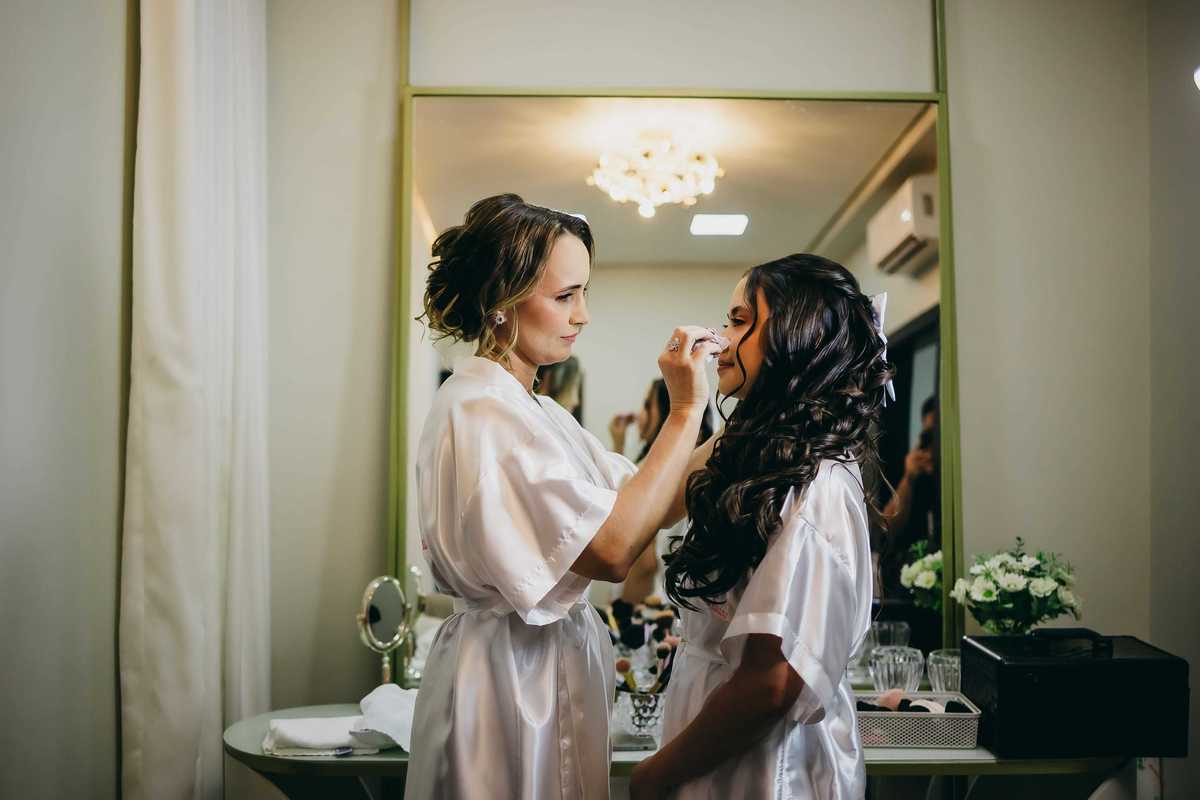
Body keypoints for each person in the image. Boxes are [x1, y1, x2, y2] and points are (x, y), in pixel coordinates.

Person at [403, 194, 724, 800]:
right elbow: (613, 549)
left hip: (543, 668)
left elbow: (653, 500)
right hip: (507, 680)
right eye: (565, 296)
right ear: (501, 303)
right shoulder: (481, 410)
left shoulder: (539, 411)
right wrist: (684, 410)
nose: (583, 315)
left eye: (585, 294)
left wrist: (754, 420)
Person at [630, 254, 893, 800]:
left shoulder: (815, 486)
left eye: (739, 321)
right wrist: (686, 407)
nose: (720, 341)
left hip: (768, 768)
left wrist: (655, 774)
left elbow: (769, 683)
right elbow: (652, 507)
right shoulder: (761, 452)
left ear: (796, 337)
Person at [607, 380, 716, 603]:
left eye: (648, 405)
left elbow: (644, 563)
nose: (640, 415)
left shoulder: (681, 479)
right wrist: (618, 444)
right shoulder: (651, 468)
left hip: (650, 605)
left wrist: (625, 609)